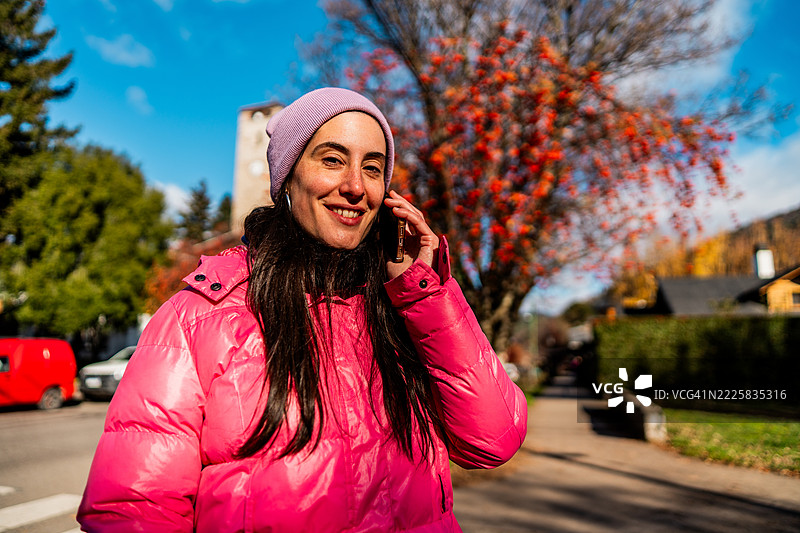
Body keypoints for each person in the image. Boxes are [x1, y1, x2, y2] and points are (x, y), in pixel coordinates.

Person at [77, 87, 527, 532]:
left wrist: (425, 295)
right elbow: (133, 510)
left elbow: (494, 441)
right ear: (288, 176)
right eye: (332, 159)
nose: (355, 186)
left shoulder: (404, 307)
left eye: (372, 169)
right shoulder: (196, 319)